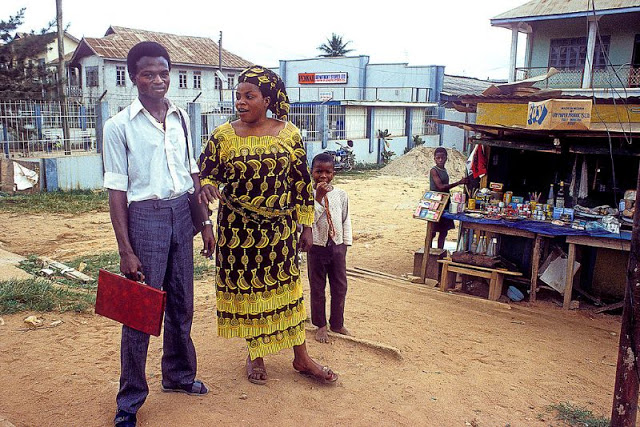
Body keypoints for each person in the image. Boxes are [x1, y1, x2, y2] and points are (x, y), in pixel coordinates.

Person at [198, 65, 338, 385]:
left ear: (268, 98)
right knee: (250, 293)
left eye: (250, 96)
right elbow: (205, 172)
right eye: (238, 96)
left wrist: (305, 226)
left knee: (287, 291)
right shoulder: (223, 135)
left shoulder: (289, 133)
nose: (241, 102)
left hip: (279, 231)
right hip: (238, 233)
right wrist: (207, 185)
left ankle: (301, 358)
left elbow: (301, 183)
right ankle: (255, 354)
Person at [103, 41, 214, 427]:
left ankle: (179, 376)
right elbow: (116, 190)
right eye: (149, 73)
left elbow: (191, 174)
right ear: (134, 77)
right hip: (145, 217)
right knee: (140, 311)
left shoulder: (182, 117)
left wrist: (204, 223)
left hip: (182, 213)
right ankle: (130, 401)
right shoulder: (118, 126)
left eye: (164, 73)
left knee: (182, 302)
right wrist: (125, 249)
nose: (158, 80)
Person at [308, 152, 352, 343]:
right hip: (316, 247)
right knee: (317, 287)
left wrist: (345, 244)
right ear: (311, 172)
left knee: (340, 286)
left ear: (334, 173)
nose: (323, 176)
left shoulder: (341, 195)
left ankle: (337, 322)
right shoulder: (307, 195)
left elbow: (345, 220)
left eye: (327, 172)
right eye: (318, 171)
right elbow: (308, 220)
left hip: (337, 246)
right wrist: (318, 197)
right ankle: (321, 325)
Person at [429, 147, 468, 249]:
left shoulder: (444, 170)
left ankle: (439, 254)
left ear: (446, 158)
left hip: (445, 202)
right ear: (434, 159)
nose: (440, 160)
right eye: (438, 158)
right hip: (436, 202)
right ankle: (427, 253)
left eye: (442, 157)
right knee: (432, 232)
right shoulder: (434, 170)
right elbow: (440, 187)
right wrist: (459, 183)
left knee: (443, 231)